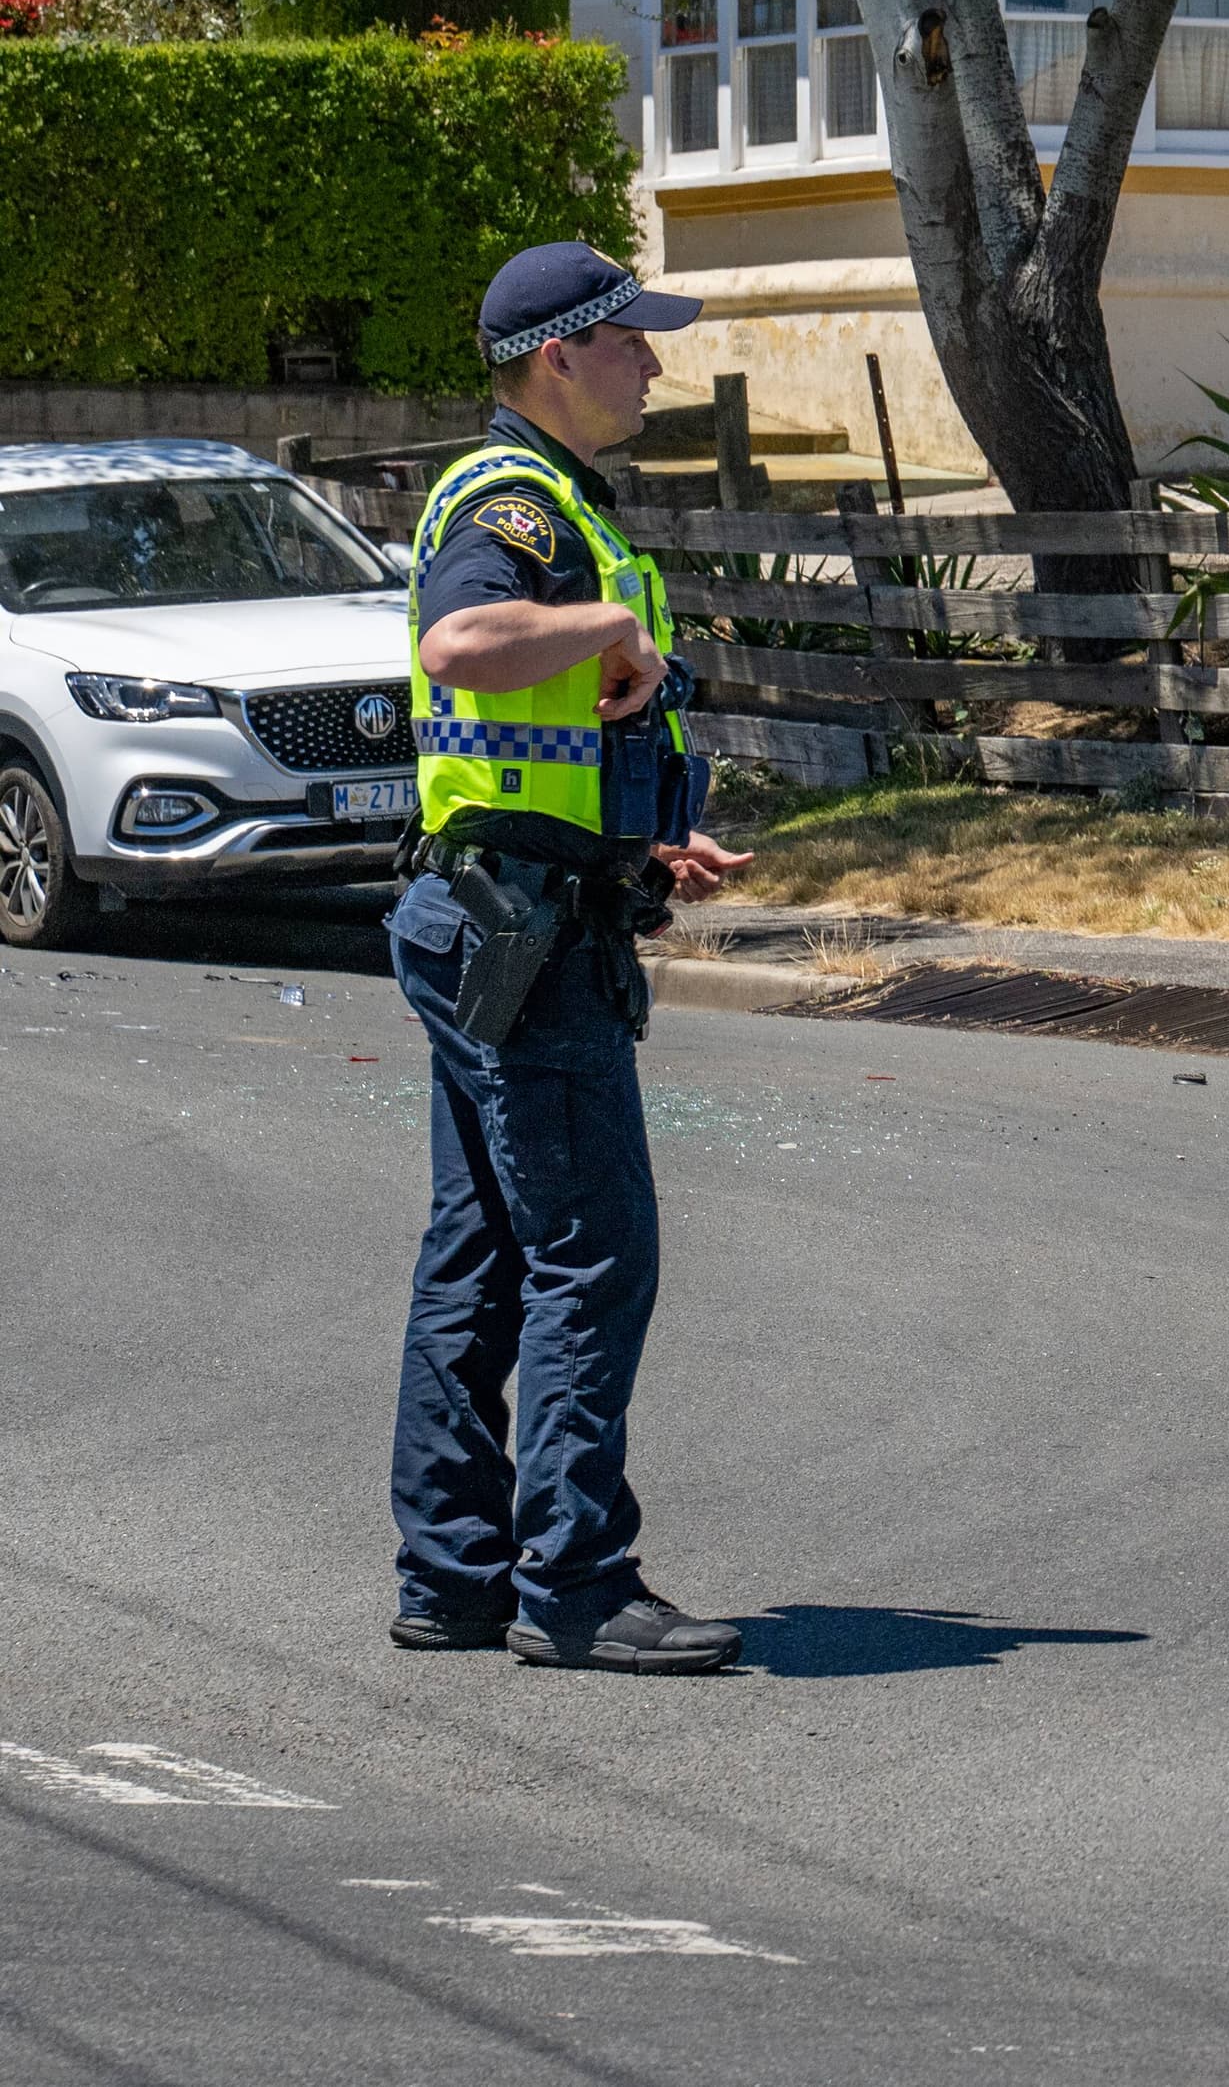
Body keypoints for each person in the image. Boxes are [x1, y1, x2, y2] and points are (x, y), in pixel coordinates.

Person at [386, 242, 757, 1672]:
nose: (653, 364)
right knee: (594, 1255)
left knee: (480, 1255)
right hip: (521, 934)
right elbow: (463, 643)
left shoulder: (542, 499)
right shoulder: (517, 506)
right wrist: (604, 622)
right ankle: (578, 1586)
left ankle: (455, 1572)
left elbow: (513, 749)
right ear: (558, 356)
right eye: (632, 342)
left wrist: (642, 848)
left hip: (506, 901)